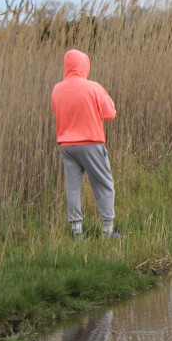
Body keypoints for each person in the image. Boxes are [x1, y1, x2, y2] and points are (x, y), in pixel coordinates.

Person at [51, 49, 121, 240]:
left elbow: (56, 110)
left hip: (67, 146)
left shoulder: (57, 89)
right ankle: (108, 232)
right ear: (84, 65)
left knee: (73, 188)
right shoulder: (93, 87)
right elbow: (110, 113)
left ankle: (77, 233)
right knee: (104, 185)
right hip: (91, 143)